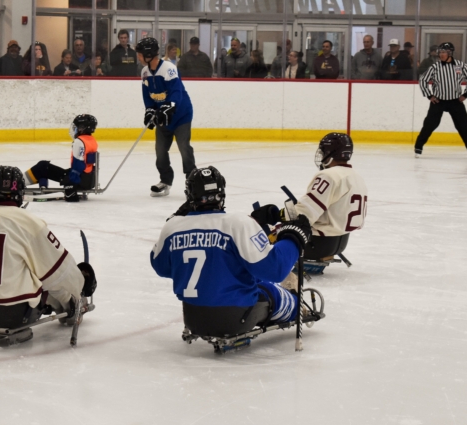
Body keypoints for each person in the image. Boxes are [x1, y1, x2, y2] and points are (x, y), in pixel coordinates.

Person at [150, 167, 313, 337]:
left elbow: (161, 267)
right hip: (236, 318)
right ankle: (295, 304)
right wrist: (294, 237)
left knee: (239, 274)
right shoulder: (238, 223)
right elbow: (275, 269)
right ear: (222, 192)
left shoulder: (173, 226)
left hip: (193, 318)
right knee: (270, 290)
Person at [0, 166, 96, 339]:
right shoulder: (28, 222)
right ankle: (71, 309)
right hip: (13, 313)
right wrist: (79, 286)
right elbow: (59, 271)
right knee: (47, 274)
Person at [283, 133, 368, 261]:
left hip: (315, 244)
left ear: (329, 153)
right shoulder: (357, 176)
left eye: (323, 152)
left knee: (272, 234)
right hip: (340, 243)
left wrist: (277, 215)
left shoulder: (329, 176)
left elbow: (304, 213)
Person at [136, 37, 196, 197]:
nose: (138, 57)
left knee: (184, 148)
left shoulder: (168, 68)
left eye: (140, 54)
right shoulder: (145, 72)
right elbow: (147, 95)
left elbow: (176, 91)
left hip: (181, 115)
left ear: (149, 55)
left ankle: (192, 182)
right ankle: (165, 181)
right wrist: (150, 110)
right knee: (160, 151)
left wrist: (170, 106)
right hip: (163, 116)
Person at [415, 42, 467, 158]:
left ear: (450, 53)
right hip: (438, 101)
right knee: (429, 125)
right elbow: (423, 80)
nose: (441, 54)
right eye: (440, 52)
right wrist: (429, 95)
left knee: (464, 125)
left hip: (455, 101)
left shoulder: (460, 65)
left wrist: (466, 94)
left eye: (444, 52)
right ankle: (418, 147)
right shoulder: (435, 67)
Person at [22, 115, 98, 202]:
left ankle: (18, 182)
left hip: (79, 180)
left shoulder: (79, 142)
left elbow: (78, 164)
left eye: (76, 127)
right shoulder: (91, 140)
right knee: (44, 167)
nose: (74, 129)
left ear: (82, 128)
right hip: (87, 178)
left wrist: (71, 185)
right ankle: (23, 181)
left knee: (42, 167)